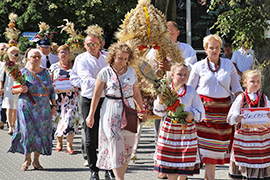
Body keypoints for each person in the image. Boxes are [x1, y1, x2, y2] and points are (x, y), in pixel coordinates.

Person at [86, 42, 147, 180]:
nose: (123, 61)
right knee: (114, 144)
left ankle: (121, 176)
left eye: (126, 58)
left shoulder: (131, 71)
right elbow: (96, 95)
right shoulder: (105, 72)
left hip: (129, 108)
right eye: (120, 58)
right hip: (111, 108)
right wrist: (91, 115)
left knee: (127, 147)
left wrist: (141, 110)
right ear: (113, 56)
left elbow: (136, 93)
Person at [187, 34, 243, 180]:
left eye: (217, 47)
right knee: (205, 149)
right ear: (205, 49)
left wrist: (245, 101)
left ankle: (209, 177)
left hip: (223, 111)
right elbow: (190, 90)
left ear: (220, 49)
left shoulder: (228, 65)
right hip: (204, 111)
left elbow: (237, 88)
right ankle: (209, 178)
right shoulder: (198, 66)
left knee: (217, 147)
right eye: (211, 48)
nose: (214, 50)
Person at [153, 63, 205, 180]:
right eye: (179, 74)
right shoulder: (166, 91)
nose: (182, 77)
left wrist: (192, 114)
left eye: (185, 75)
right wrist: (160, 100)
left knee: (184, 161)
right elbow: (159, 112)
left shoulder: (191, 91)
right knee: (170, 161)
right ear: (172, 75)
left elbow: (200, 109)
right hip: (170, 129)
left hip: (186, 130)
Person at [8, 49, 56, 171]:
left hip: (43, 106)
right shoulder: (21, 72)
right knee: (27, 132)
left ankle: (36, 161)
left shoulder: (45, 73)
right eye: (33, 56)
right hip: (26, 105)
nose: (36, 58)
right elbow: (13, 90)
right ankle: (26, 158)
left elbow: (51, 90)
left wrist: (54, 106)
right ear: (28, 58)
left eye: (38, 56)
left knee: (40, 133)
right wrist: (20, 90)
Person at [76, 32, 110, 180]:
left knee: (108, 134)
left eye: (95, 44)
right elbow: (86, 79)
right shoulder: (81, 59)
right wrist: (106, 83)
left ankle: (108, 168)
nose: (92, 47)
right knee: (91, 133)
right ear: (85, 45)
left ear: (100, 44)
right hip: (89, 99)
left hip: (107, 99)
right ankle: (93, 170)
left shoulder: (107, 57)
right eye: (89, 44)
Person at [227, 69, 270, 179]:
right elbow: (230, 117)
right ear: (245, 83)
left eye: (258, 81)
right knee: (244, 165)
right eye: (252, 81)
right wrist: (237, 118)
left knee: (259, 166)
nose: (256, 84)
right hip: (244, 139)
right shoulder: (241, 98)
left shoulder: (264, 98)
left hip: (260, 139)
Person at [49, 45, 80, 154]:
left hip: (71, 98)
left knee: (70, 119)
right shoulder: (54, 67)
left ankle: (69, 145)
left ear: (69, 54)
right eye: (61, 52)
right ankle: (59, 142)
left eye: (66, 52)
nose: (63, 54)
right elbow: (49, 82)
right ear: (58, 54)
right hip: (58, 98)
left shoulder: (75, 66)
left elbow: (79, 80)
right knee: (58, 119)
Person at [1, 46, 20, 135]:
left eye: (16, 54)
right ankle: (10, 125)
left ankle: (14, 124)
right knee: (9, 107)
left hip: (17, 88)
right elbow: (1, 77)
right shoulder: (5, 65)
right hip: (8, 88)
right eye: (12, 54)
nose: (14, 56)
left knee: (15, 108)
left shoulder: (20, 64)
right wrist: (1, 88)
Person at [0, 43, 8, 129]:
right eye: (2, 49)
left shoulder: (7, 62)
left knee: (3, 103)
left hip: (5, 84)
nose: (4, 51)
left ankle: (3, 120)